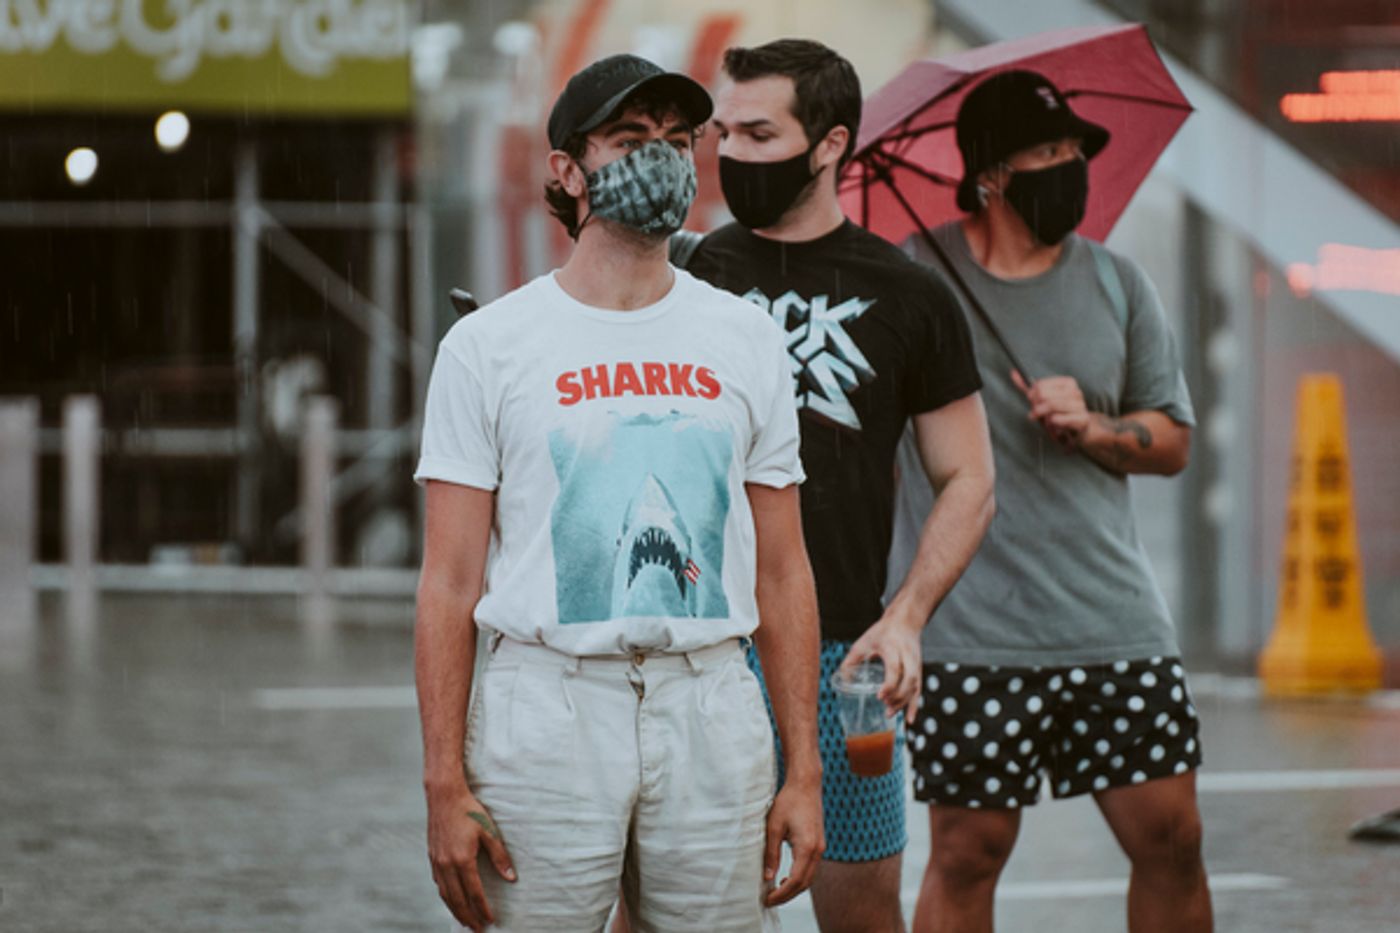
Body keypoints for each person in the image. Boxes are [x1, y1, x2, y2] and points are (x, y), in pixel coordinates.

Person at [413, 53, 824, 933]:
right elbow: (448, 583)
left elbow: (784, 570)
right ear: (567, 169)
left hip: (711, 698)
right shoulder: (489, 346)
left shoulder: (746, 337)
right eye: (631, 138)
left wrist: (804, 772)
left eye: (679, 139)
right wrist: (443, 781)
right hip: (544, 704)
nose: (664, 157)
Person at [683, 39, 996, 932]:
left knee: (861, 913)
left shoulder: (911, 294)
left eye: (758, 132)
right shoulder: (688, 275)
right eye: (722, 133)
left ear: (829, 144)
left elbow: (970, 476)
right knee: (676, 910)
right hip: (697, 650)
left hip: (844, 659)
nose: (732, 153)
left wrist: (906, 617)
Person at [891, 70, 1214, 932]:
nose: (1070, 167)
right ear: (990, 174)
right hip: (971, 630)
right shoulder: (914, 282)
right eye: (1049, 153)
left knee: (1173, 837)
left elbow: (1175, 440)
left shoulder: (1118, 282)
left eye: (1076, 151)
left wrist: (1098, 426)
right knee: (965, 852)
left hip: (1112, 621)